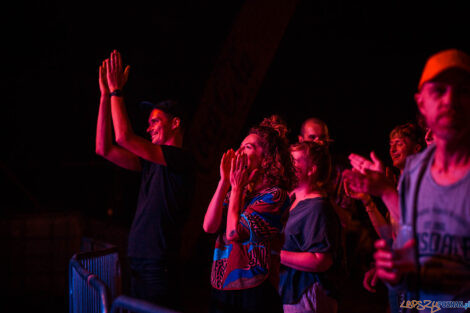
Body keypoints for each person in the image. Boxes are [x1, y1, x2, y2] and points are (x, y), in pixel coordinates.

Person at [346, 49, 470, 312]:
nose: (450, 100)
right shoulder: (416, 170)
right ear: (422, 103)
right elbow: (410, 240)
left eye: (463, 90)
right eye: (439, 90)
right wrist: (395, 269)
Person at [95, 50, 195, 309]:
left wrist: (117, 91)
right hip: (139, 260)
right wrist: (105, 97)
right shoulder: (151, 162)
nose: (149, 127)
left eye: (155, 121)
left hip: (158, 264)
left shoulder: (181, 159)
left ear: (175, 124)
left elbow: (123, 137)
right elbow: (103, 149)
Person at [203, 117, 296, 313]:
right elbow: (209, 226)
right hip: (223, 285)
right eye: (240, 146)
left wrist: (236, 189)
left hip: (254, 289)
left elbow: (233, 234)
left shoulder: (274, 195)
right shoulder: (238, 192)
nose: (239, 152)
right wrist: (224, 183)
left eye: (248, 147)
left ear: (266, 158)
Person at [279, 141, 342, 313]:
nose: (288, 165)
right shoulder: (294, 199)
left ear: (311, 169)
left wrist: (275, 254)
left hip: (307, 295)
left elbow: (321, 260)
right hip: (293, 293)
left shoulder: (316, 207)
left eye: (295, 161)